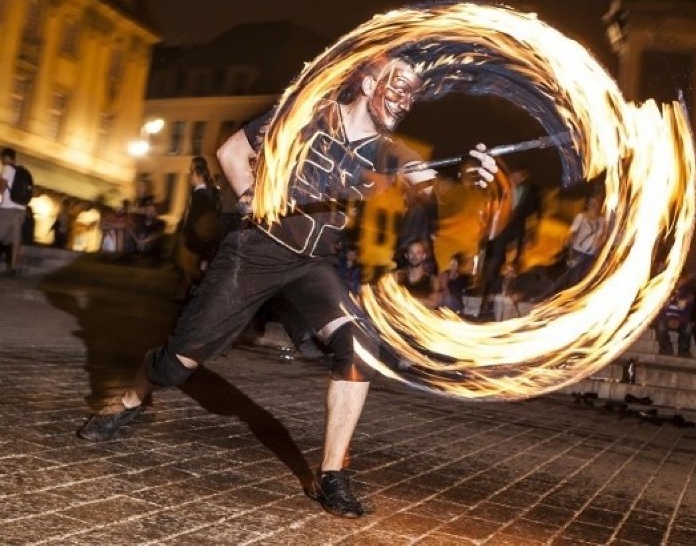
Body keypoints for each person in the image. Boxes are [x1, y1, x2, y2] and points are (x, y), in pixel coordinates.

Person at [76, 53, 497, 518]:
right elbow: (231, 153)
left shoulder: (392, 152)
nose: (406, 100)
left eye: (414, 93)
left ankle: (331, 474)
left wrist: (471, 184)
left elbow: (428, 190)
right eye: (399, 86)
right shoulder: (306, 114)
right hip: (254, 252)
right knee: (181, 359)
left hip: (314, 264)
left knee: (359, 347)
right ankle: (129, 400)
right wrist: (250, 204)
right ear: (370, 79)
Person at [477, 167, 541, 317]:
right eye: (515, 175)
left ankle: (509, 299)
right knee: (495, 264)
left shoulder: (529, 192)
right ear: (511, 174)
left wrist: (532, 233)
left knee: (514, 266)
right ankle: (486, 302)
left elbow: (535, 213)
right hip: (501, 232)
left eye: (520, 176)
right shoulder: (501, 189)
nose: (517, 179)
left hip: (518, 233)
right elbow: (490, 207)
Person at [175, 157, 222, 300]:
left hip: (194, 238)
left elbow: (193, 219)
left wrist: (183, 232)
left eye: (192, 172)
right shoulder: (212, 193)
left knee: (188, 267)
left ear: (198, 175)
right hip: (205, 238)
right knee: (196, 268)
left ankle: (187, 295)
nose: (190, 175)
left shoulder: (198, 196)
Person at [0, 147, 28, 276]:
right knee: (16, 238)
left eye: (2, 158)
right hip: (21, 209)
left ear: (6, 157)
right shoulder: (22, 171)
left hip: (8, 207)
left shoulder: (7, 168)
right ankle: (13, 267)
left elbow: (2, 185)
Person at [654, 277, 696, 357]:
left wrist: (679, 320)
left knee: (688, 326)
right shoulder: (664, 292)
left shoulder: (688, 294)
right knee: (660, 324)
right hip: (666, 319)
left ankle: (684, 350)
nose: (677, 282)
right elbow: (659, 311)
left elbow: (688, 313)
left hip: (680, 320)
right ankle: (666, 348)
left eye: (680, 279)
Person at [395, 239, 440, 309]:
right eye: (411, 253)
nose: (414, 256)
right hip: (400, 316)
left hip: (419, 317)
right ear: (406, 255)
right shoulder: (398, 276)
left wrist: (409, 299)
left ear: (424, 256)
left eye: (418, 253)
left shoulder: (432, 280)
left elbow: (433, 303)